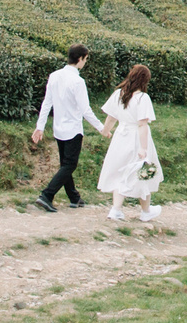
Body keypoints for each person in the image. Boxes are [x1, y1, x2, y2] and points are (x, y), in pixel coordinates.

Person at [30, 44, 104, 213]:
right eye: (85, 59)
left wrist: (40, 126)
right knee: (69, 165)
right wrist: (101, 128)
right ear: (80, 59)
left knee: (65, 164)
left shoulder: (54, 76)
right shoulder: (78, 82)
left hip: (58, 128)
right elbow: (85, 110)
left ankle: (74, 197)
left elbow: (47, 103)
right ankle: (47, 195)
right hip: (73, 129)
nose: (85, 62)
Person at [95, 63, 163, 222]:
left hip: (120, 136)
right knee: (144, 173)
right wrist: (143, 148)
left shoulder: (119, 94)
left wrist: (105, 131)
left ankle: (116, 210)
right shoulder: (142, 98)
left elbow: (111, 117)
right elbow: (142, 125)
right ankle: (146, 211)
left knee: (120, 172)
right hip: (136, 138)